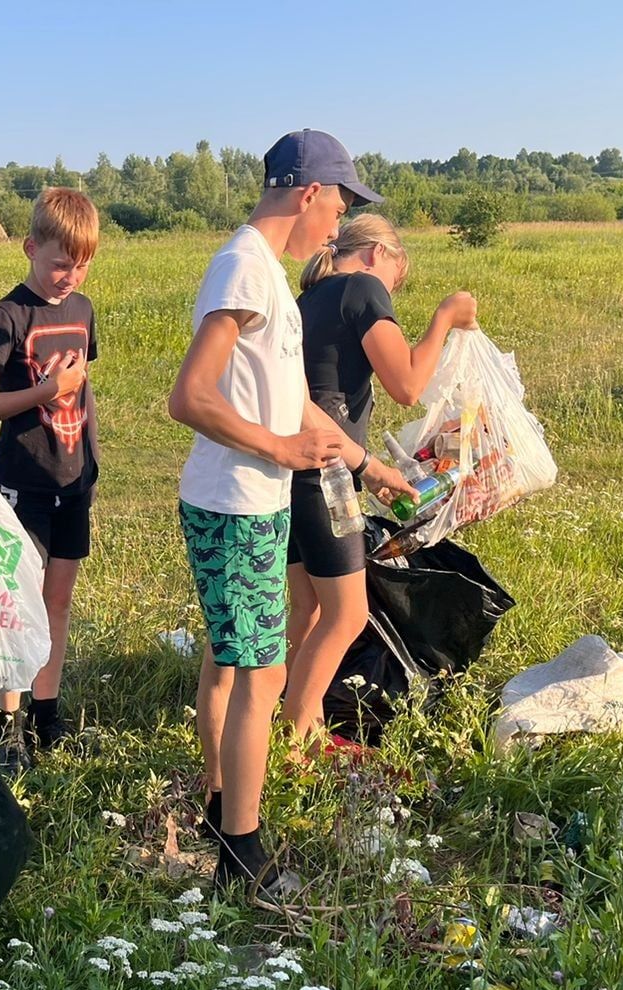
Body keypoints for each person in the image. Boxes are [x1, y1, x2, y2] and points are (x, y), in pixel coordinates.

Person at [168, 129, 381, 899]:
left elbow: (293, 405)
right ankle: (242, 852)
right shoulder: (243, 268)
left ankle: (226, 812)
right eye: (342, 204)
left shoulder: (267, 277)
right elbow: (189, 396)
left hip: (251, 503)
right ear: (307, 192)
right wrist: (279, 450)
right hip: (234, 505)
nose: (341, 224)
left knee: (239, 665)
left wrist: (370, 467)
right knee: (260, 673)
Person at [281, 213, 478, 744]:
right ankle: (297, 744)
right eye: (397, 278)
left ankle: (285, 718)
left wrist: (369, 469)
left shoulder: (311, 299)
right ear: (376, 254)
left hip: (295, 469)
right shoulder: (363, 286)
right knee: (346, 615)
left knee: (309, 608)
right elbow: (408, 385)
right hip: (327, 475)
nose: (392, 292)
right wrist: (445, 316)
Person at [0, 188, 101, 763]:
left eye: (82, 263)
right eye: (59, 263)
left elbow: (80, 388)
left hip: (74, 476)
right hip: (24, 478)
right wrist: (47, 390)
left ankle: (47, 713)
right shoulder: (5, 316)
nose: (70, 275)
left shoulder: (84, 310)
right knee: (19, 601)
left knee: (58, 602)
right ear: (29, 248)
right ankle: (8, 721)